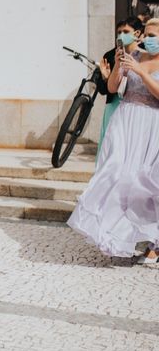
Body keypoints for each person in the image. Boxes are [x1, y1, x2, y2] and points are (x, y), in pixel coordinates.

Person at [68, 18, 159, 262]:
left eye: (153, 36)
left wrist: (140, 72)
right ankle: (110, 234)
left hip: (152, 126)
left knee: (147, 184)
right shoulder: (134, 56)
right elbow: (113, 87)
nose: (147, 40)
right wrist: (118, 67)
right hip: (126, 121)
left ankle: (154, 243)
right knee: (115, 172)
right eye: (147, 35)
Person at [94, 17, 144, 154]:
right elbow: (103, 90)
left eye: (126, 31)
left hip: (138, 108)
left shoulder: (146, 55)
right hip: (114, 106)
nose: (121, 35)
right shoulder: (110, 55)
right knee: (113, 150)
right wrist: (106, 78)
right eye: (119, 32)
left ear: (137, 33)